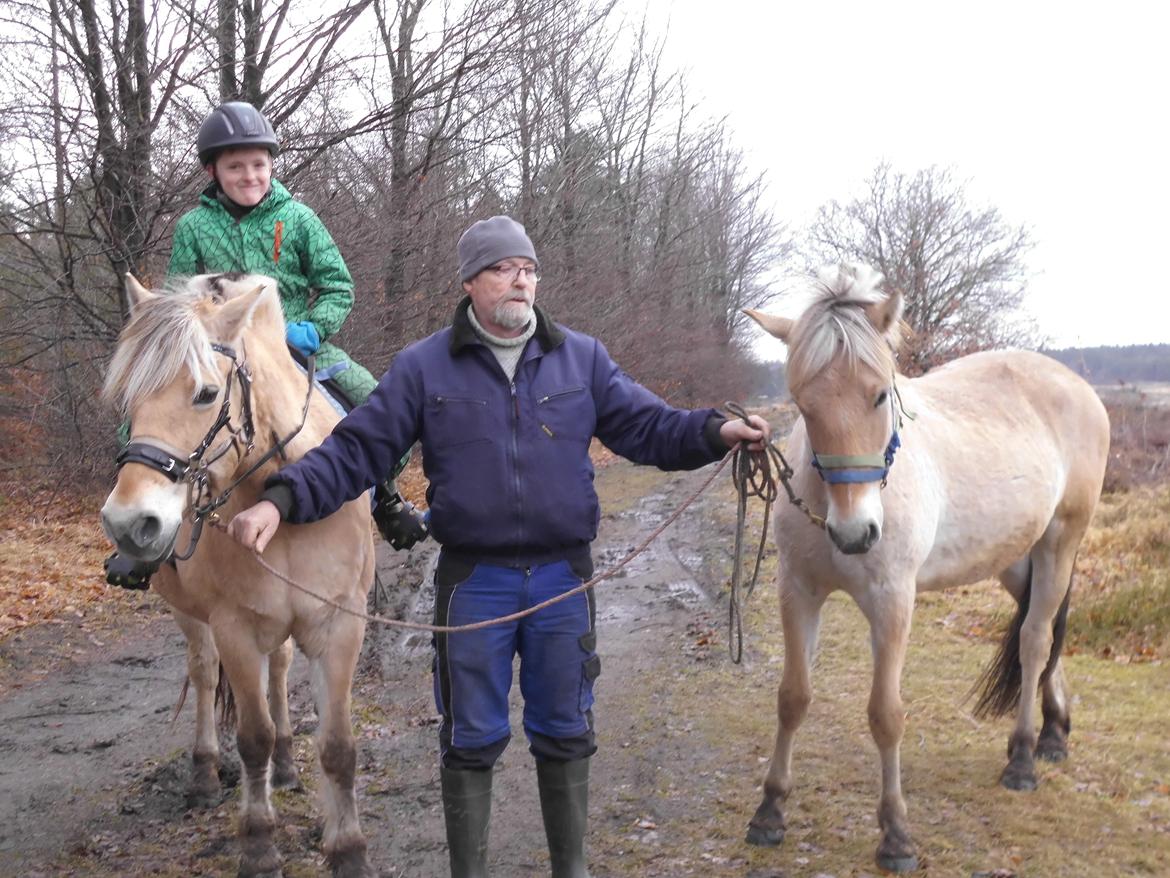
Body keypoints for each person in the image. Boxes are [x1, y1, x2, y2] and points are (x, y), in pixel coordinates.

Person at [227, 216, 771, 878]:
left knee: (566, 729)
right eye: (504, 269)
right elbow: (356, 451)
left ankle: (571, 869)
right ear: (470, 283)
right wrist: (278, 501)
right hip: (473, 580)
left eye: (529, 269)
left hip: (562, 579)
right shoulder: (424, 367)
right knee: (470, 736)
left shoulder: (582, 359)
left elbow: (651, 427)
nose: (521, 280)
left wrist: (717, 431)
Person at [104, 101, 425, 590]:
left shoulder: (298, 218)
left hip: (293, 346)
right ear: (213, 172)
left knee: (371, 401)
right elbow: (176, 302)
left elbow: (338, 286)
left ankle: (385, 497)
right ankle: (147, 535)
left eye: (258, 164)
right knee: (142, 422)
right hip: (218, 350)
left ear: (271, 164)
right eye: (236, 167)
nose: (249, 175)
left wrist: (313, 327)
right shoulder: (193, 227)